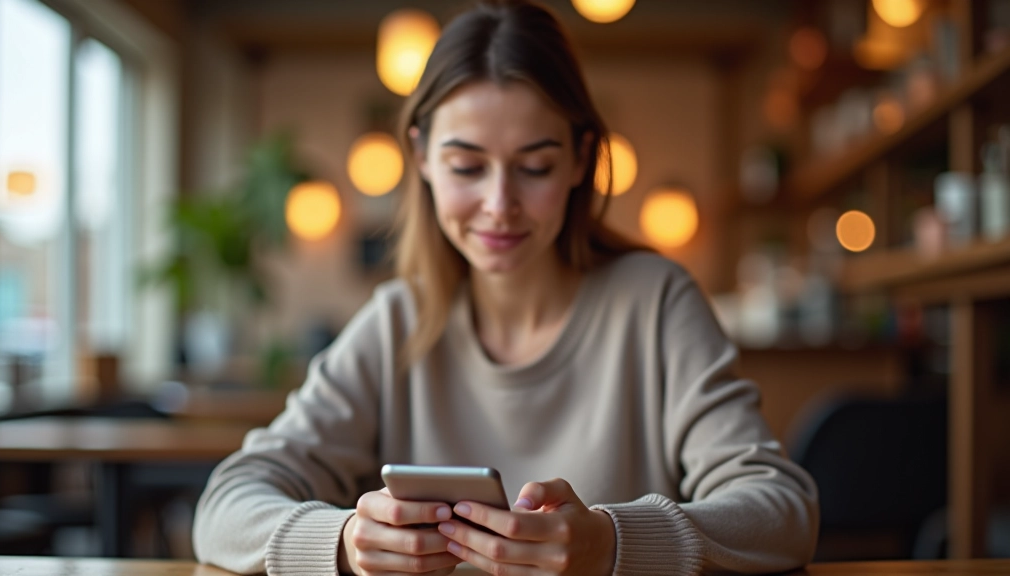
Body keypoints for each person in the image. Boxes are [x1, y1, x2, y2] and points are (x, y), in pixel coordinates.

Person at [193, 1, 819, 574]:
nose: (499, 205)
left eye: (535, 167)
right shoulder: (396, 323)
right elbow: (224, 505)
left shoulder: (655, 303)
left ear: (580, 160)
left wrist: (612, 542)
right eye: (467, 166)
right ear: (424, 158)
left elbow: (782, 510)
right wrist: (341, 543)